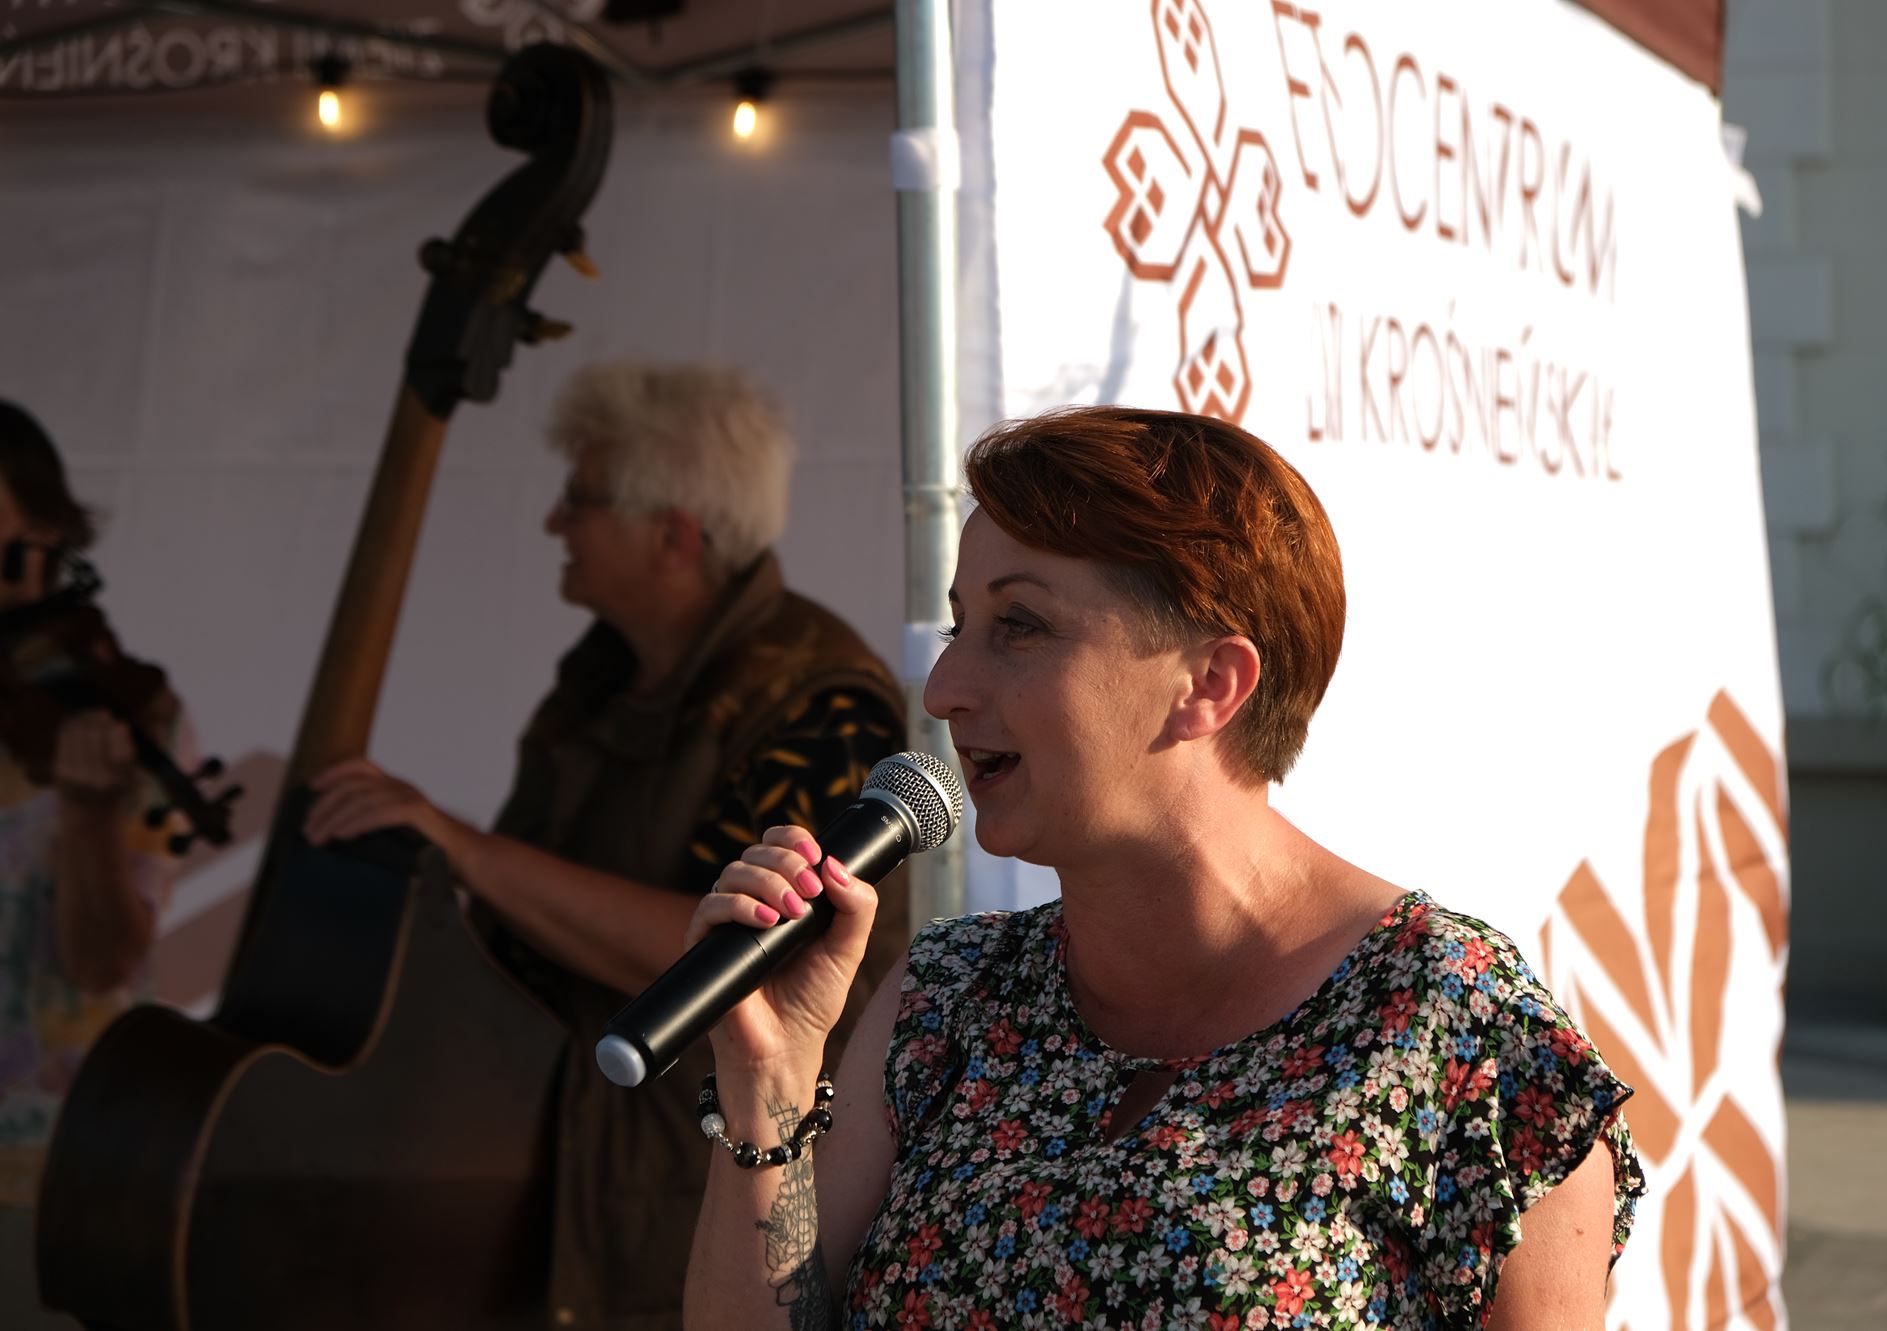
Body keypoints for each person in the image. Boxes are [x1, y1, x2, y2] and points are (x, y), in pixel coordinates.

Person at [683, 406, 1646, 1329]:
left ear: (1211, 684)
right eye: (957, 625)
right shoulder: (946, 997)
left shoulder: (1459, 1023)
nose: (943, 688)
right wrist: (770, 1072)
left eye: (1019, 625)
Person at [304, 364, 908, 1330]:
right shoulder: (600, 675)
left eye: (580, 499)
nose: (555, 522)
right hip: (545, 1183)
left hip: (684, 1206)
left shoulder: (819, 701)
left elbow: (731, 960)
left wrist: (461, 846)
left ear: (673, 534)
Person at [0, 402, 192, 1330]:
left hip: (43, 1178)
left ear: (44, 532)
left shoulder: (129, 712)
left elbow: (103, 962)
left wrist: (86, 815)